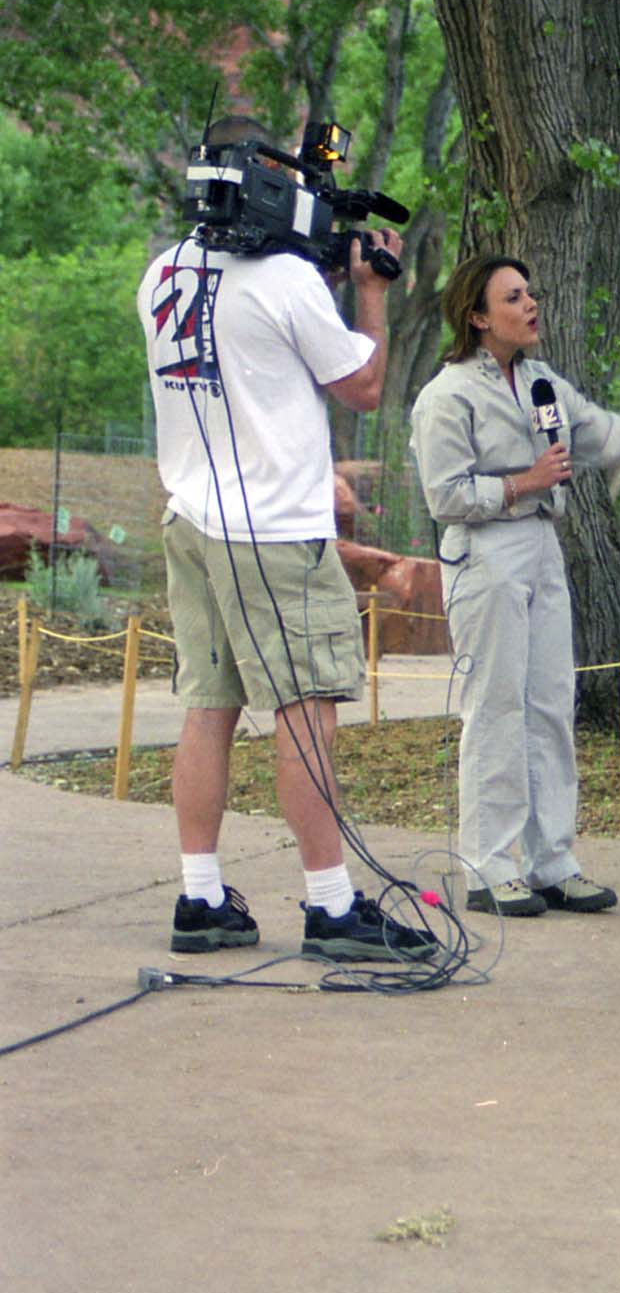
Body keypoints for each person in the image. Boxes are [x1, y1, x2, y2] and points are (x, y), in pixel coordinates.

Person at [138, 113, 433, 964]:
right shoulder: (286, 283)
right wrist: (370, 289)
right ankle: (332, 907)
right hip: (270, 534)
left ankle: (200, 896)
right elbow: (365, 386)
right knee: (309, 713)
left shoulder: (160, 273)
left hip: (190, 518)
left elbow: (246, 362)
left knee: (210, 705)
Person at [410, 254, 620, 919]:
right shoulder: (448, 394)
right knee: (497, 706)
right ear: (477, 316)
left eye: (532, 292)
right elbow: (444, 494)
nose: (531, 304)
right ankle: (490, 867)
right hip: (485, 552)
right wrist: (522, 482)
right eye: (513, 297)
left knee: (552, 702)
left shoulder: (540, 383)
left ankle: (553, 862)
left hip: (541, 546)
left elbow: (606, 433)